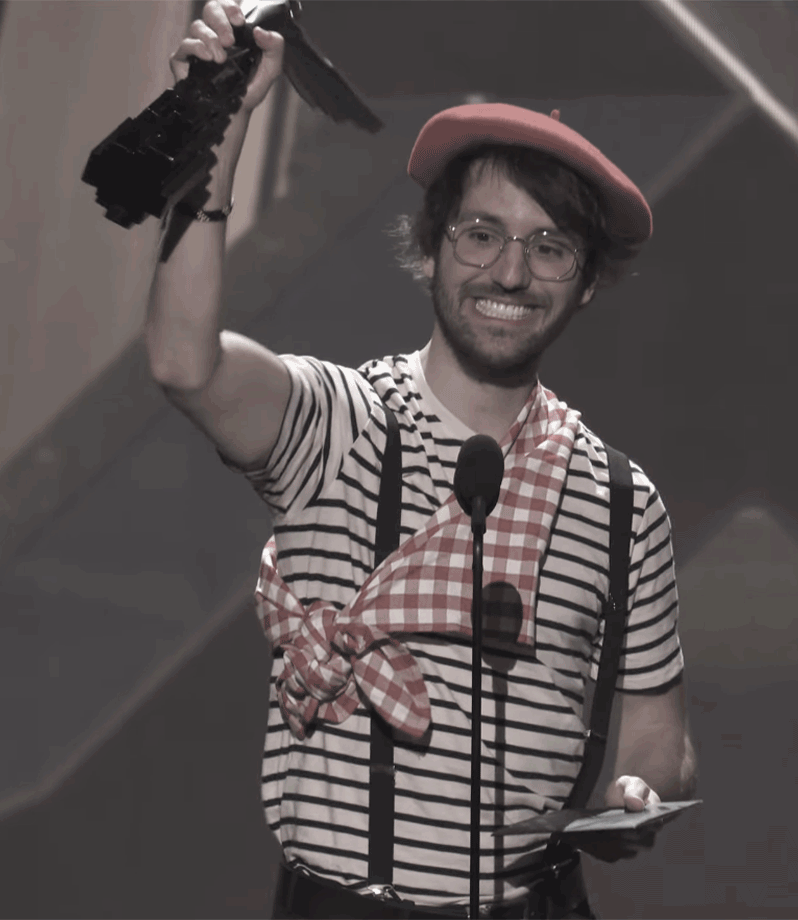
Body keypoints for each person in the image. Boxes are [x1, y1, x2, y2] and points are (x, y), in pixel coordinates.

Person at [147, 2, 698, 917]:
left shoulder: (620, 502)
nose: (510, 274)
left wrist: (641, 790)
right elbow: (182, 361)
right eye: (481, 234)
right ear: (434, 249)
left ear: (587, 284)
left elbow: (658, 733)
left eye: (550, 248)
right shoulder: (339, 424)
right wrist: (214, 132)